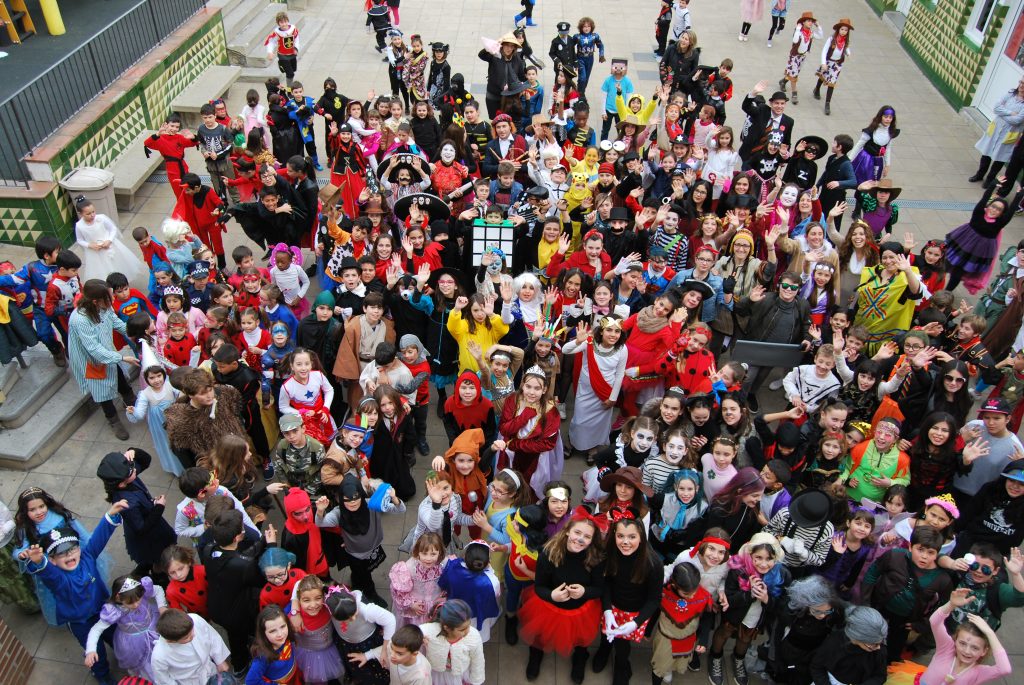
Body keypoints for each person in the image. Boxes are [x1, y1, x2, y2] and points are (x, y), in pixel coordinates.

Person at [22, 499, 130, 685]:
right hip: (80, 622)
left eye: (72, 549)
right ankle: (102, 675)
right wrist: (39, 561)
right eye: (61, 554)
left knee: (116, 636)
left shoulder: (87, 556)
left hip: (102, 610)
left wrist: (111, 514)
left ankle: (124, 655)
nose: (69, 555)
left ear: (79, 548)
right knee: (95, 651)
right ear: (53, 560)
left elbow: (98, 538)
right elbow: (46, 572)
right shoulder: (58, 578)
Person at [518, 506, 607, 682]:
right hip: (549, 606)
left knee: (581, 638)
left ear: (592, 540)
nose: (580, 539)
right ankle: (536, 653)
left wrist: (585, 592)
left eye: (587, 536)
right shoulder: (548, 553)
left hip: (581, 610)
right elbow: (539, 586)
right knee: (540, 635)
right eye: (577, 532)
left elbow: (599, 588)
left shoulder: (596, 558)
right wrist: (552, 596)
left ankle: (580, 657)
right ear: (567, 531)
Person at [593, 517, 664, 685]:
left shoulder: (653, 563)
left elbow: (654, 599)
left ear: (641, 537)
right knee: (605, 633)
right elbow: (606, 582)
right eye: (620, 536)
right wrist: (607, 609)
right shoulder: (609, 554)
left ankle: (622, 665)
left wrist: (636, 622)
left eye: (632, 537)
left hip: (633, 613)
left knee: (622, 645)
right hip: (611, 606)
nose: (625, 542)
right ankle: (604, 649)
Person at [68, 280, 140, 440]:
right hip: (91, 361)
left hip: (108, 352)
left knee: (120, 377)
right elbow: (93, 349)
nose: (113, 299)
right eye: (109, 297)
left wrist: (133, 332)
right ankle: (113, 420)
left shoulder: (105, 307)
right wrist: (122, 357)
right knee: (102, 392)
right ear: (96, 301)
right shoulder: (80, 319)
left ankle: (130, 400)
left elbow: (116, 322)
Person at [943, 186, 1014, 293]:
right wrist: (993, 184)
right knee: (944, 263)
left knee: (958, 273)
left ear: (1002, 214)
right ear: (988, 206)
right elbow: (984, 198)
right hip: (962, 244)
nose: (994, 210)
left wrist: (1019, 195)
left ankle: (946, 293)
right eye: (993, 206)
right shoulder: (978, 214)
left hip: (975, 254)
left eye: (999, 209)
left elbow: (1010, 213)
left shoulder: (998, 224)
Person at [808, 605, 888, 685]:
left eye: (881, 642)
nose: (878, 647)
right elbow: (817, 667)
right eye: (874, 644)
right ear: (856, 637)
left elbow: (880, 676)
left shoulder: (878, 650)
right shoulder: (834, 643)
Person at [73, 197, 145, 284]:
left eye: (93, 212)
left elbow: (113, 229)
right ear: (80, 214)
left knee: (116, 265)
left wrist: (109, 240)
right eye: (88, 214)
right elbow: (80, 240)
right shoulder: (79, 226)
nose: (92, 215)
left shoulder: (101, 218)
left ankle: (120, 282)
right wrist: (89, 245)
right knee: (102, 270)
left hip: (109, 246)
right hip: (95, 251)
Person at [150, 609, 231, 685]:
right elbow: (163, 679)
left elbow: (212, 636)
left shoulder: (195, 619)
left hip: (210, 670)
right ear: (170, 641)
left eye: (192, 630)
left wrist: (220, 660)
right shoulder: (159, 655)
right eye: (186, 637)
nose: (193, 635)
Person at [969, 77, 1024, 184]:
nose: (1021, 85)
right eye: (1021, 82)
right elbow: (996, 108)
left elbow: (1017, 120)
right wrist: (1010, 113)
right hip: (996, 129)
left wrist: (1002, 114)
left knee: (1000, 158)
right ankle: (979, 174)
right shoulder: (1010, 94)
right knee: (986, 153)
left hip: (1009, 134)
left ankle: (990, 179)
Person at [418, 598, 487, 685]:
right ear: (447, 628)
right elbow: (411, 639)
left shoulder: (473, 636)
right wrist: (418, 640)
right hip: (436, 674)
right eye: (462, 629)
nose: (468, 631)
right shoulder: (427, 631)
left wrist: (476, 681)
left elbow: (478, 660)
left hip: (459, 675)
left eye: (469, 625)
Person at [812, 19, 853, 116]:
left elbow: (846, 47)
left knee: (832, 83)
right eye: (842, 29)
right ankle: (817, 89)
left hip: (837, 64)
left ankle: (827, 103)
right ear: (838, 29)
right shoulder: (831, 39)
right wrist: (823, 63)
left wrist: (848, 53)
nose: (843, 31)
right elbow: (824, 50)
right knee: (822, 76)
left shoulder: (845, 40)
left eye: (846, 30)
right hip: (828, 61)